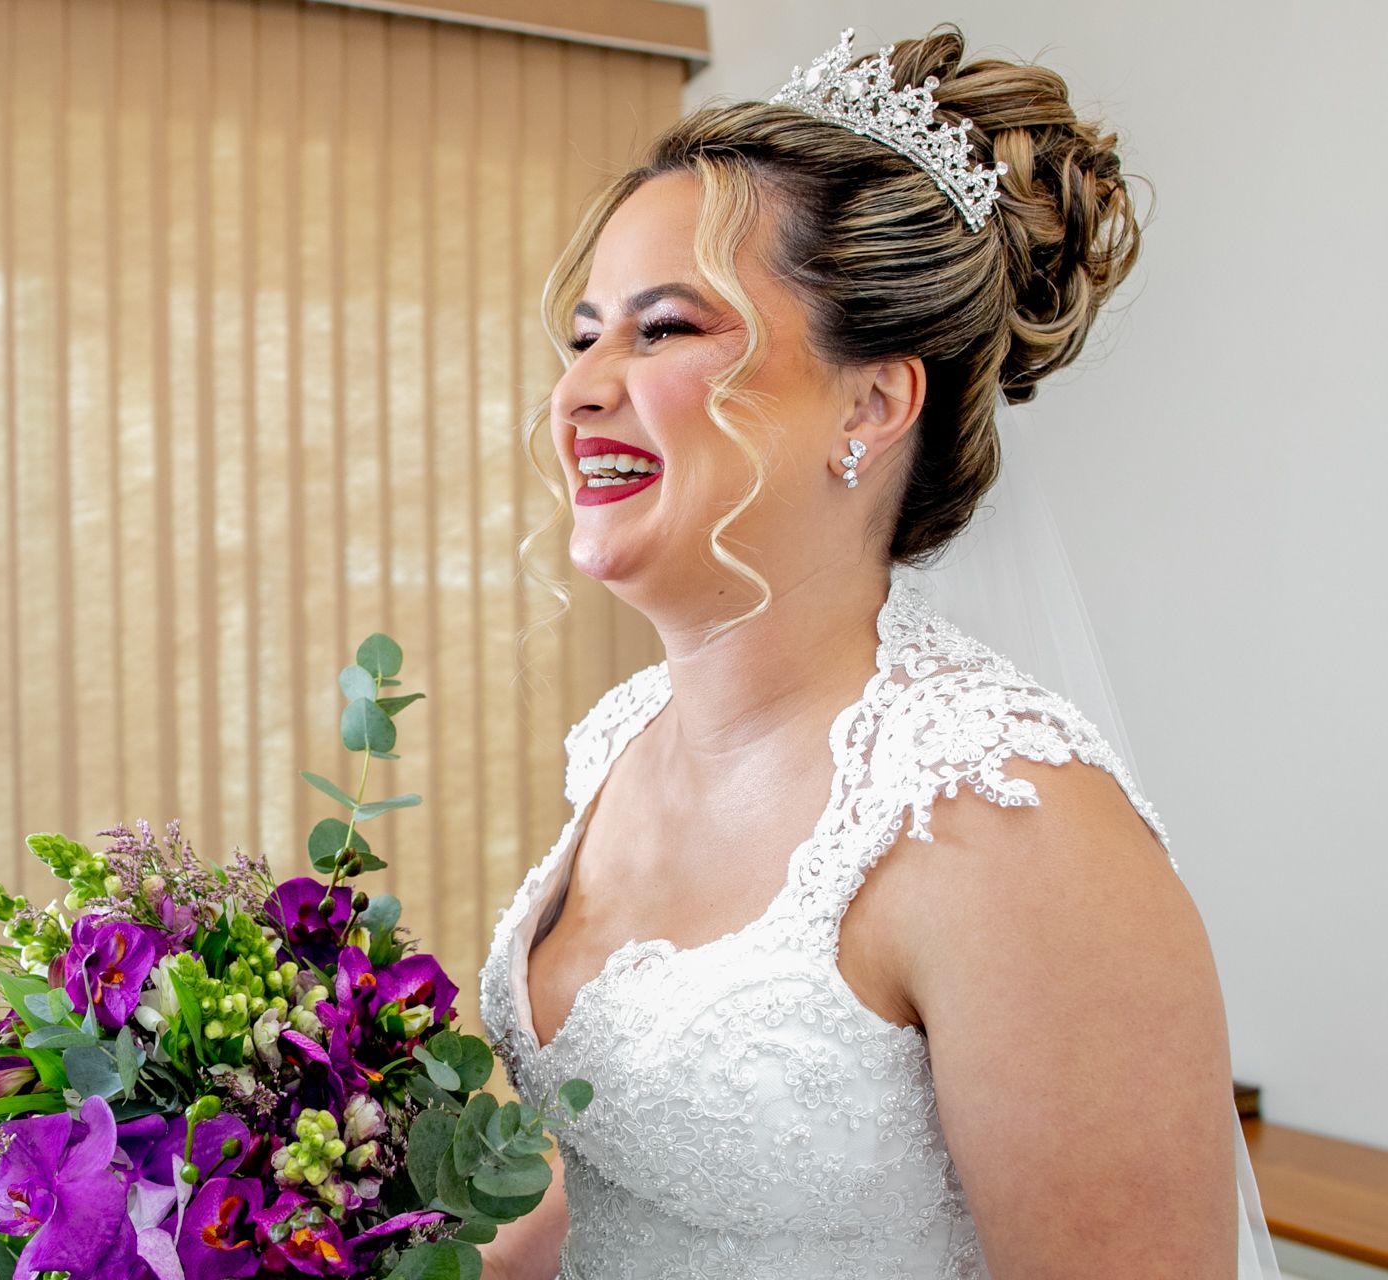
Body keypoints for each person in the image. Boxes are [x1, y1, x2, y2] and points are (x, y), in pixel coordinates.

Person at [476, 24, 1280, 1279]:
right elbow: (603, 1181)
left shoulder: (1006, 824)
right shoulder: (624, 741)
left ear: (871, 404)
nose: (579, 388)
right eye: (584, 334)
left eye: (666, 328)